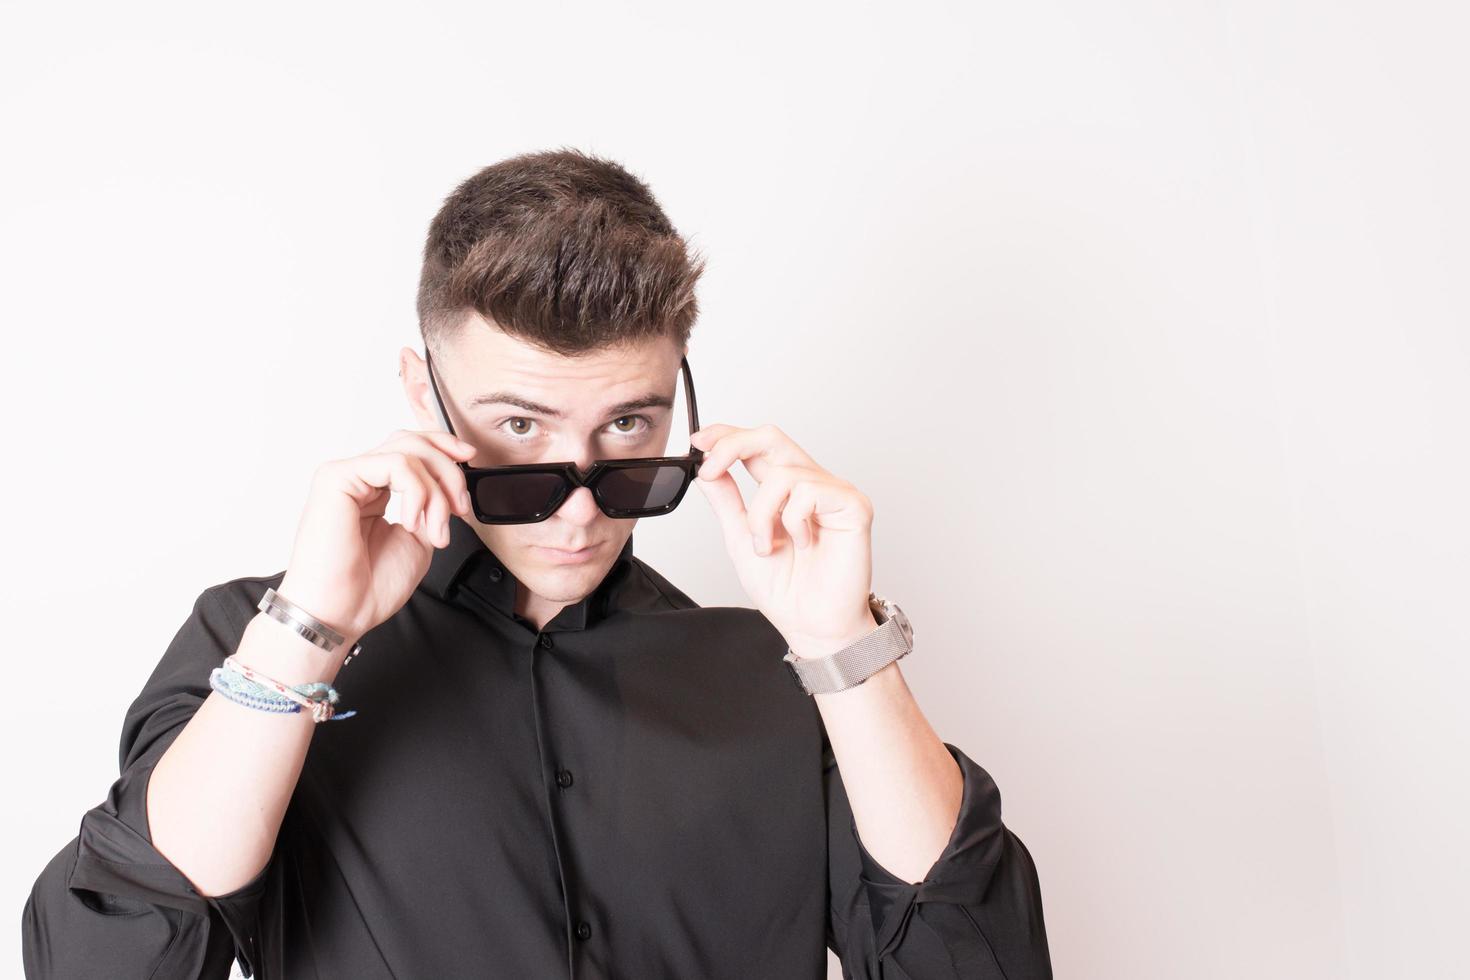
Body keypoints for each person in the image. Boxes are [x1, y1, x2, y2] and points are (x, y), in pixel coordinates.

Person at [21, 148, 1052, 979]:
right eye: (521, 427)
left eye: (629, 427)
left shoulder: (778, 673)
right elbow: (104, 955)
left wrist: (845, 647)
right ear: (423, 395)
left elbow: (980, 960)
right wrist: (309, 636)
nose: (576, 501)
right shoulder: (258, 643)